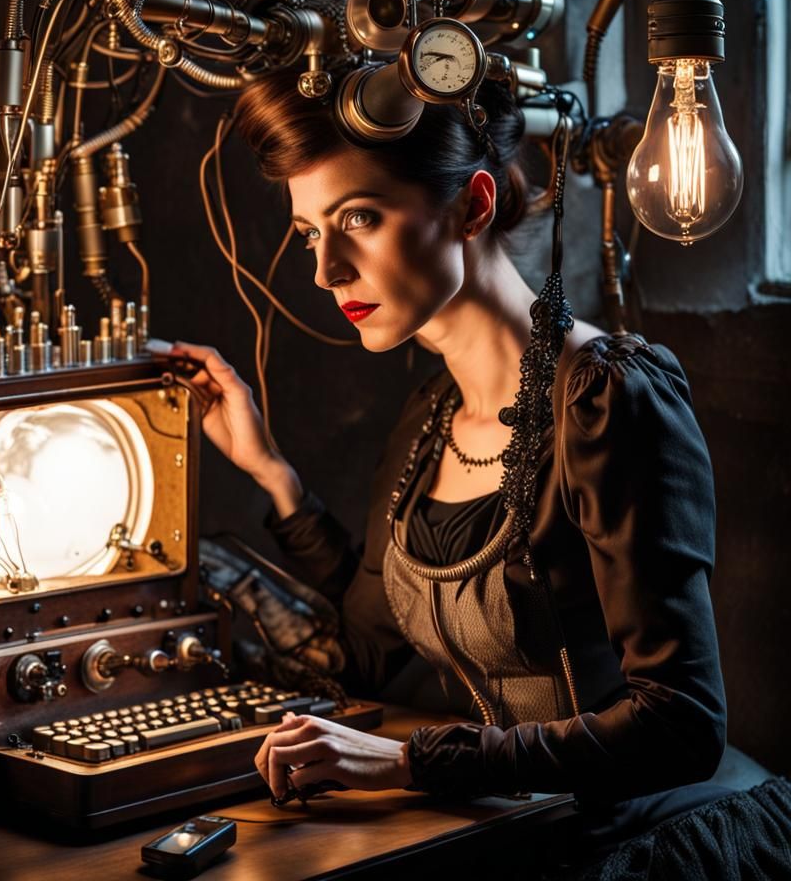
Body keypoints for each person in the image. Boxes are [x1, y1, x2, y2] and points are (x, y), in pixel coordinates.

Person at [166, 69, 791, 878]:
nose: (327, 272)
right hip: (519, 832)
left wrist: (410, 763)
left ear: (473, 206)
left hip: (659, 843)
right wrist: (271, 473)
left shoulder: (610, 397)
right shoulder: (430, 420)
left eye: (360, 217)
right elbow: (365, 654)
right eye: (313, 233)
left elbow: (680, 725)